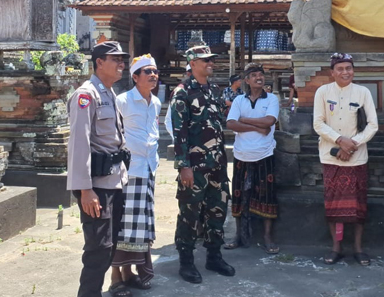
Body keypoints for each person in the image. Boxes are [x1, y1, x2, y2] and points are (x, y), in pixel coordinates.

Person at [66, 41, 130, 297]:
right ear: (99, 62)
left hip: (114, 182)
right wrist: (85, 190)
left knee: (109, 246)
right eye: (115, 59)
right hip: (96, 188)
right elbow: (79, 144)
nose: (121, 64)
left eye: (122, 60)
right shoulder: (86, 95)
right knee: (97, 251)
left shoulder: (108, 92)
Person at [171, 45, 235, 284]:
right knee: (190, 214)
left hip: (217, 164)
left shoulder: (215, 91)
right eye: (205, 60)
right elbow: (180, 133)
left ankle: (214, 256)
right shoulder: (182, 93)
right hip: (194, 167)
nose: (211, 63)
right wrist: (183, 166)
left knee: (217, 211)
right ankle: (186, 261)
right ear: (192, 63)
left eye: (212, 60)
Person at [313, 52, 379, 266]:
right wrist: (340, 140)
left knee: (358, 206)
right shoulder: (323, 92)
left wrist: (353, 144)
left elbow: (372, 125)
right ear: (332, 72)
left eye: (348, 68)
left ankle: (358, 249)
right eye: (340, 69)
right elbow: (318, 123)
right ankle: (336, 248)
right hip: (331, 157)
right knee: (333, 206)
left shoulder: (363, 92)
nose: (345, 72)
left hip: (357, 158)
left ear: (353, 71)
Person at [110, 54, 162, 295]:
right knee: (124, 224)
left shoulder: (157, 102)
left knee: (140, 226)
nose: (153, 75)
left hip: (148, 170)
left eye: (155, 72)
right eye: (148, 71)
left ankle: (130, 272)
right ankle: (115, 277)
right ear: (135, 77)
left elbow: (153, 134)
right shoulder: (122, 101)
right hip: (128, 172)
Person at [225, 63, 281, 253]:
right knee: (239, 195)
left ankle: (267, 236)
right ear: (246, 80)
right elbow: (231, 123)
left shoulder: (271, 99)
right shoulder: (240, 100)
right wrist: (257, 127)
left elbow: (270, 121)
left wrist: (245, 120)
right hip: (242, 154)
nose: (259, 78)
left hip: (264, 154)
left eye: (261, 75)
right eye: (254, 75)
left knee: (266, 195)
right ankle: (238, 235)